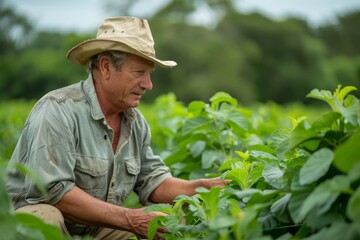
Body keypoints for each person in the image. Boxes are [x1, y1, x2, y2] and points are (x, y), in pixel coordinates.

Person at [6, 16, 226, 239]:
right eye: (139, 73)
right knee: (44, 218)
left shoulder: (135, 122)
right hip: (37, 214)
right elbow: (53, 192)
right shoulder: (57, 109)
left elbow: (153, 181)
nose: (148, 85)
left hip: (95, 224)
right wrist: (130, 219)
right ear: (106, 67)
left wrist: (203, 187)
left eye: (149, 74)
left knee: (160, 228)